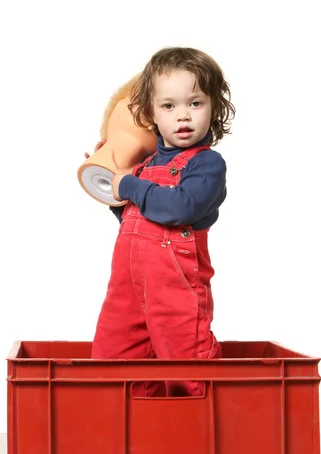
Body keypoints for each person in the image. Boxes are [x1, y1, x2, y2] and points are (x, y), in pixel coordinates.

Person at [90, 47, 235, 397]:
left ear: (214, 107)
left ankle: (199, 441)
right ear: (152, 114)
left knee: (188, 367)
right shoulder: (145, 164)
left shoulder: (206, 165)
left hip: (177, 296)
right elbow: (132, 216)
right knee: (112, 363)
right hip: (128, 292)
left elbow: (178, 208)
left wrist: (129, 184)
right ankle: (134, 440)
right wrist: (112, 182)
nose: (182, 115)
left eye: (195, 103)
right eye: (169, 106)